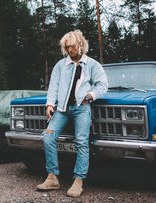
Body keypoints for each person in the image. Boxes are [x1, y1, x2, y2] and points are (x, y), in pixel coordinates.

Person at [36, 30, 108, 198]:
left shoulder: (92, 64)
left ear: (80, 45)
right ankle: (52, 177)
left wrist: (90, 96)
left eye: (72, 46)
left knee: (82, 142)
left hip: (81, 109)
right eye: (67, 47)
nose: (70, 50)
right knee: (48, 137)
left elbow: (102, 85)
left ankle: (78, 180)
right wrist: (49, 104)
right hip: (61, 110)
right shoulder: (61, 65)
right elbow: (53, 86)